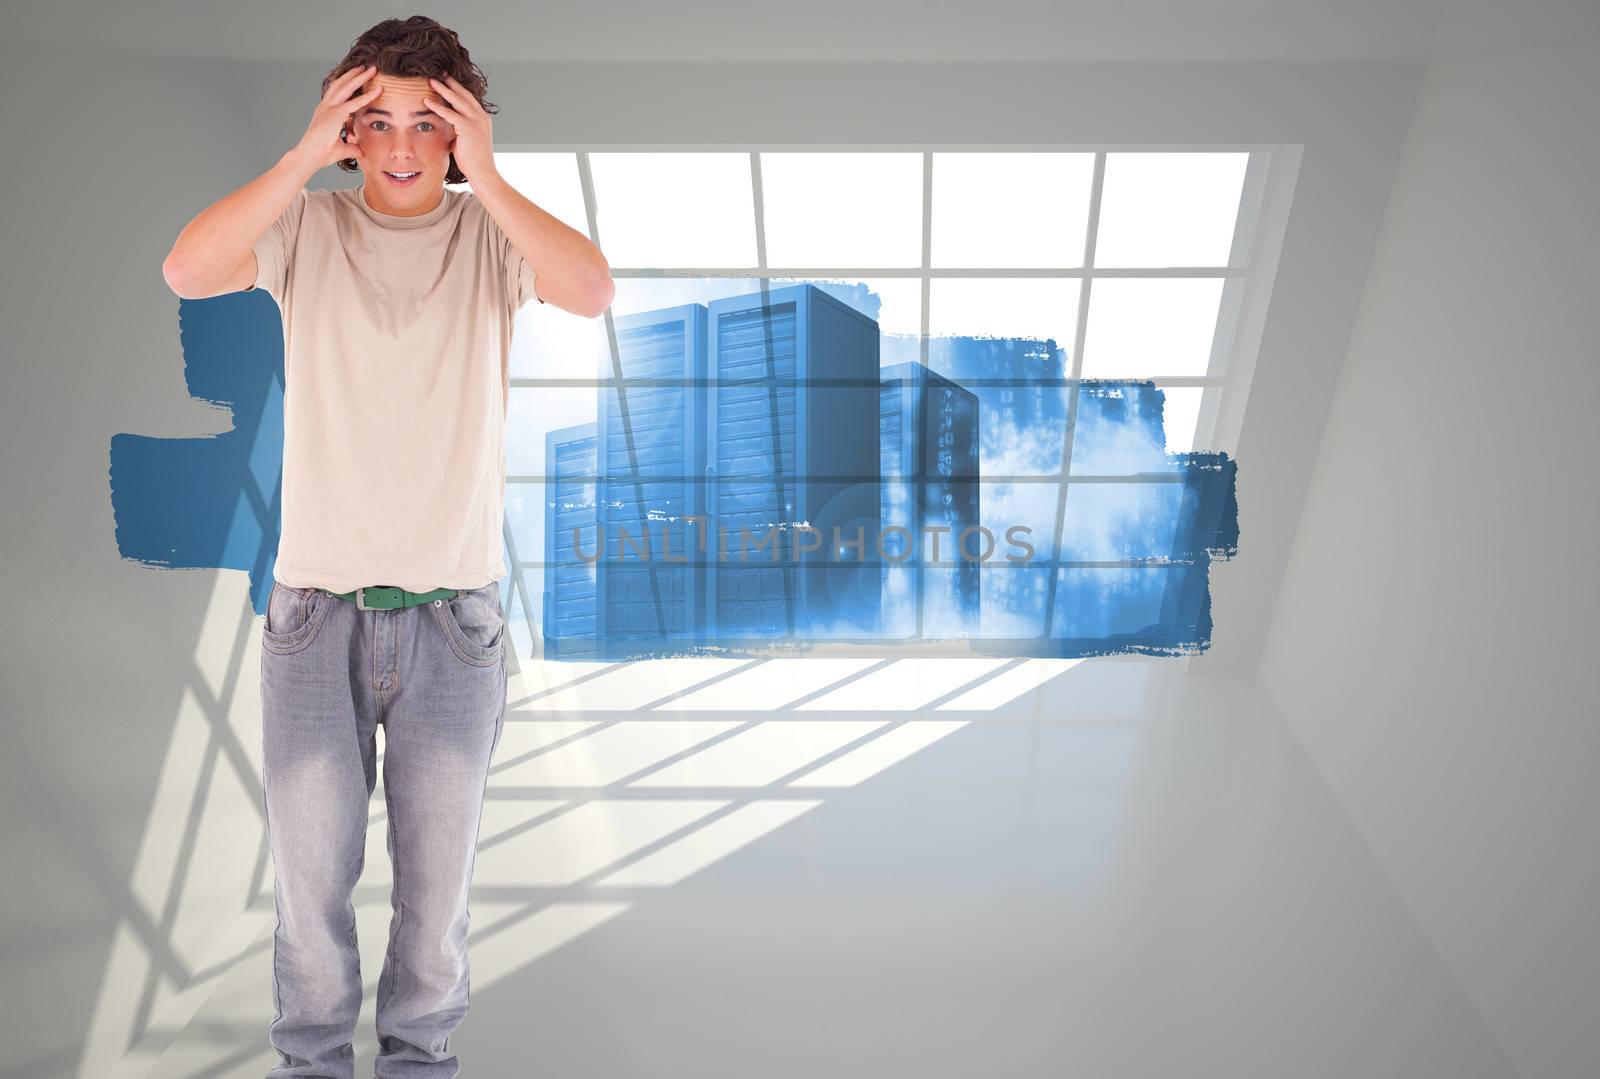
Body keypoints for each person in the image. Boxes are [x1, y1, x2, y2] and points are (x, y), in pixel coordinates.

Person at [160, 17, 614, 1078]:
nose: (401, 144)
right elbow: (187, 270)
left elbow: (591, 290)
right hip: (312, 612)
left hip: (455, 620)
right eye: (375, 121)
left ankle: (420, 1061)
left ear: (459, 133)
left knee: (436, 896)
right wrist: (298, 155)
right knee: (308, 890)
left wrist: (489, 174)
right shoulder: (306, 226)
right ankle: (311, 1063)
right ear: (346, 131)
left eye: (427, 121)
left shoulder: (492, 234)